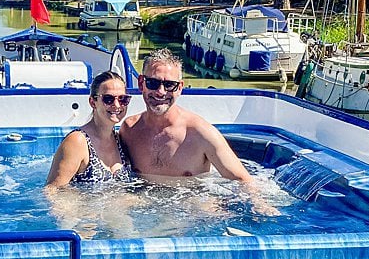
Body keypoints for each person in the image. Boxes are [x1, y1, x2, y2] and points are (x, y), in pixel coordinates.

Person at [119, 48, 279, 214]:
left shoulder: (200, 133)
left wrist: (260, 205)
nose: (161, 92)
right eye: (153, 83)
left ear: (180, 88)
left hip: (190, 208)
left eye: (169, 85)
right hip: (145, 206)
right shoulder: (130, 130)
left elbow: (241, 179)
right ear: (140, 83)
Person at [45, 71, 135, 188]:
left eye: (123, 99)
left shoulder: (120, 141)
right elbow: (53, 191)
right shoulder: (77, 141)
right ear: (93, 102)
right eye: (108, 99)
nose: (117, 105)